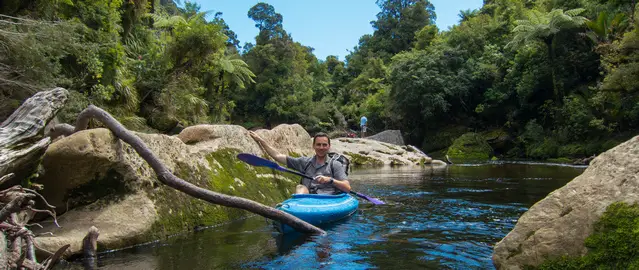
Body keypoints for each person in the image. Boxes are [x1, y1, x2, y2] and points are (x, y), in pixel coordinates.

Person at [249, 131, 351, 195]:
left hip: (328, 200)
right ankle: (299, 208)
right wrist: (261, 141)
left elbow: (347, 188)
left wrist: (330, 180)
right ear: (313, 146)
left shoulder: (335, 165)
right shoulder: (304, 162)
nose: (321, 148)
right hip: (307, 200)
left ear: (329, 146)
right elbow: (278, 156)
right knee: (300, 187)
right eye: (318, 145)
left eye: (324, 145)